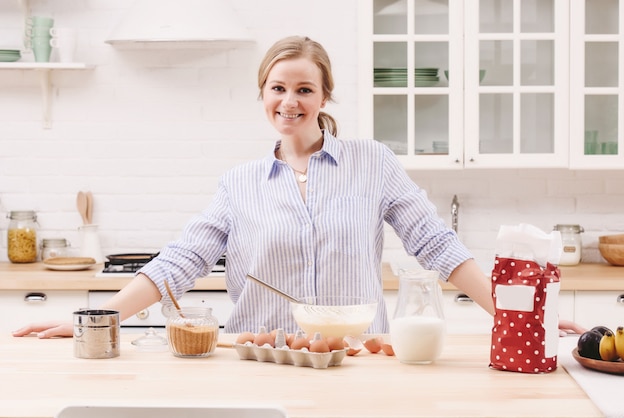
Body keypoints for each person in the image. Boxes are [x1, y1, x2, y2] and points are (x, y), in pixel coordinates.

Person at [13, 36, 585, 339]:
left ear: (324, 96)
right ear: (262, 93)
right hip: (262, 357)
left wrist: (516, 316)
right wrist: (97, 319)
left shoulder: (372, 162)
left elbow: (437, 246)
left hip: (360, 357)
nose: (290, 102)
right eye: (277, 88)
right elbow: (180, 262)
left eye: (304, 89)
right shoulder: (238, 184)